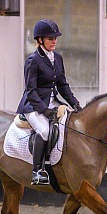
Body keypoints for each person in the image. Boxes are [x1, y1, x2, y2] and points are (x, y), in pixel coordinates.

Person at [16, 19, 82, 185]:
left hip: (52, 102)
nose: (54, 41)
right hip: (33, 105)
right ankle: (37, 171)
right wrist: (44, 111)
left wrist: (74, 103)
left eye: (55, 38)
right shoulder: (33, 60)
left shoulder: (57, 59)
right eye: (50, 38)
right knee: (44, 131)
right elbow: (30, 91)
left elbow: (62, 85)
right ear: (40, 40)